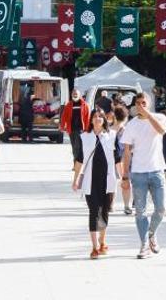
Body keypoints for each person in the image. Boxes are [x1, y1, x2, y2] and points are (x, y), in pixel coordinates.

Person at [120, 93, 166, 259]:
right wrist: (125, 176)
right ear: (134, 106)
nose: (141, 106)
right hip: (138, 173)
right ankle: (143, 245)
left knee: (161, 209)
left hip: (156, 170)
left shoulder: (160, 118)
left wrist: (148, 116)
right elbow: (126, 152)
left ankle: (152, 233)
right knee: (140, 212)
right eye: (138, 103)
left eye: (144, 103)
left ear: (150, 104)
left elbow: (162, 131)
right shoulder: (131, 125)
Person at [72, 109, 119, 259]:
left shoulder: (111, 136)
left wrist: (124, 177)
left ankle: (102, 241)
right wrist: (76, 179)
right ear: (91, 120)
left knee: (104, 211)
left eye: (100, 116)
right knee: (94, 212)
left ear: (105, 120)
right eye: (95, 117)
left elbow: (117, 158)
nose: (98, 119)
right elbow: (79, 159)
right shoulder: (84, 137)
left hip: (108, 180)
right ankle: (94, 247)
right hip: (90, 181)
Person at [60, 89, 90, 168]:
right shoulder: (69, 105)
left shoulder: (84, 105)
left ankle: (77, 164)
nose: (75, 95)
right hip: (71, 129)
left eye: (76, 94)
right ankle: (76, 163)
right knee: (74, 147)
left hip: (80, 130)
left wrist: (87, 129)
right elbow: (64, 117)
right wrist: (62, 126)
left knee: (78, 147)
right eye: (73, 94)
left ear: (79, 95)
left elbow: (87, 117)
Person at [112, 105, 133, 215]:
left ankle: (111, 205)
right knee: (125, 183)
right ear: (125, 118)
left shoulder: (109, 130)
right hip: (124, 159)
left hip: (111, 160)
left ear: (114, 116)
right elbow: (129, 148)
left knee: (112, 183)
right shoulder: (127, 131)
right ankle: (126, 206)